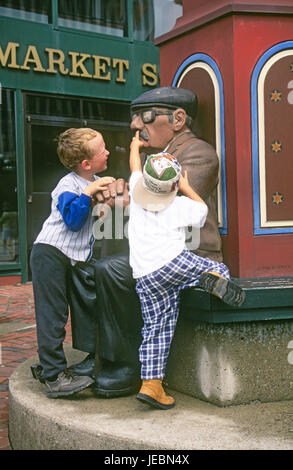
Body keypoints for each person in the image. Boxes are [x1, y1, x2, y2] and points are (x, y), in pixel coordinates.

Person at [68, 86, 235, 398]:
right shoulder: (158, 156)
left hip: (187, 249)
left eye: (144, 117)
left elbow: (160, 198)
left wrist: (124, 194)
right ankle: (99, 355)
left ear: (178, 118)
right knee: (83, 269)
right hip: (160, 247)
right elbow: (138, 190)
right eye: (134, 118)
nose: (135, 126)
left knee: (112, 270)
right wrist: (120, 190)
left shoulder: (198, 153)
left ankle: (128, 365)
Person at [128, 132, 245, 410]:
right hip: (173, 263)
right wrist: (186, 186)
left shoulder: (135, 190)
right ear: (172, 187)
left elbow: (134, 168)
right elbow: (202, 209)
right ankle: (210, 280)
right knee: (216, 266)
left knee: (157, 327)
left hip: (144, 275)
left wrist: (135, 146)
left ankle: (151, 384)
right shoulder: (179, 205)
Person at [30, 127, 115, 398]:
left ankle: (51, 365)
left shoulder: (94, 181)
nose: (108, 152)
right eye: (103, 149)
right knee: (53, 315)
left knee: (84, 306)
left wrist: (108, 199)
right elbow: (74, 222)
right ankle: (54, 378)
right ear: (86, 164)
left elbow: (99, 221)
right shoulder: (68, 186)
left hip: (72, 258)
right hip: (50, 253)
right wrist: (89, 193)